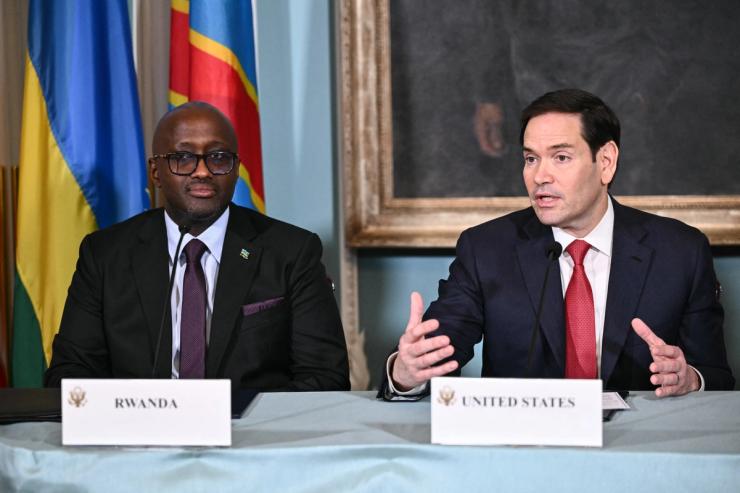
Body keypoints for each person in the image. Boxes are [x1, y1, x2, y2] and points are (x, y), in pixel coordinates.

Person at [381, 89, 734, 399]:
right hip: (523, 455)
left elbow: (716, 378)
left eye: (561, 157)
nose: (540, 176)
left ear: (606, 162)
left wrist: (689, 379)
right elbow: (438, 353)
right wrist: (407, 372)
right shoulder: (486, 249)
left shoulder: (680, 252)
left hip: (639, 452)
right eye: (531, 158)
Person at [45, 102, 350, 390]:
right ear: (156, 173)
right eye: (183, 158)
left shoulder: (292, 252)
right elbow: (71, 374)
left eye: (218, 157)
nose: (202, 171)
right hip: (138, 437)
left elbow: (324, 377)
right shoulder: (105, 254)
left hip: (251, 437)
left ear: (235, 169)